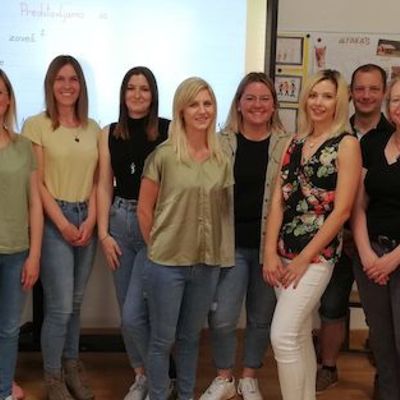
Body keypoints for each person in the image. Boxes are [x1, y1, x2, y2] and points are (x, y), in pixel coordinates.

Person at [262, 69, 361, 400]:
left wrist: (304, 258)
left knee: (282, 336)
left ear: (339, 103)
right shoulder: (294, 142)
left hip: (316, 256)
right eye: (314, 95)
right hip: (283, 252)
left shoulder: (346, 144)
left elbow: (342, 211)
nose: (318, 102)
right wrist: (269, 252)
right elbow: (278, 200)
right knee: (299, 334)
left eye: (327, 96)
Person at [137, 77, 234, 400]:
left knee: (191, 338)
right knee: (162, 340)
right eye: (194, 104)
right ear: (181, 110)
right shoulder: (163, 156)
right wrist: (157, 247)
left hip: (205, 265)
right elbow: (144, 210)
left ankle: (187, 394)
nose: (202, 110)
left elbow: (223, 214)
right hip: (167, 265)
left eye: (207, 103)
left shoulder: (221, 159)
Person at [200, 72, 289, 400]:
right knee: (222, 318)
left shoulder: (287, 144)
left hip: (270, 248)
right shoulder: (219, 142)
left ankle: (249, 377)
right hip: (229, 247)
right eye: (250, 98)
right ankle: (224, 377)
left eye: (264, 98)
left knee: (261, 318)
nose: (257, 105)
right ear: (238, 103)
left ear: (274, 105)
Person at [22, 55, 100, 400]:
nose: (67, 86)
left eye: (73, 79)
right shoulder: (36, 125)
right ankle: (53, 378)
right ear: (50, 85)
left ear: (81, 85)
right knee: (60, 307)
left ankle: (71, 368)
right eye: (60, 79)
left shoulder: (93, 128)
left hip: (86, 218)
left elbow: (98, 181)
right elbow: (36, 183)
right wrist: (63, 223)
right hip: (55, 220)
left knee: (76, 304)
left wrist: (92, 219)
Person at [316, 63, 393, 393]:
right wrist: (342, 233)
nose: (366, 95)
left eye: (373, 89)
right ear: (350, 92)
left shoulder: (392, 133)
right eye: (359, 88)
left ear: (384, 92)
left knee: (381, 316)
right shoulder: (334, 130)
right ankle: (328, 367)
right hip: (333, 238)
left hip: (374, 245)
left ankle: (385, 376)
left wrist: (361, 239)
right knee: (331, 305)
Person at [97, 66, 170, 400]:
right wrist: (103, 234)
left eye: (144, 88)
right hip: (120, 224)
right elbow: (103, 185)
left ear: (153, 95)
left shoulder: (169, 130)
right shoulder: (108, 133)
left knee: (144, 312)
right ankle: (141, 376)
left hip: (155, 226)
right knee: (127, 312)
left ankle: (160, 379)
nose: (137, 94)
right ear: (122, 94)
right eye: (131, 88)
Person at [351, 76, 400, 400]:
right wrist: (367, 253)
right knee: (381, 340)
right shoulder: (371, 143)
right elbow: (357, 205)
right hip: (370, 254)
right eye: (396, 100)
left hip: (397, 256)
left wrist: (393, 259)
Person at [0, 69, 43, 400]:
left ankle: (3, 389)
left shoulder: (23, 146)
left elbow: (34, 204)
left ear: (8, 99)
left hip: (16, 251)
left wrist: (35, 255)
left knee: (8, 328)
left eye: (0, 92)